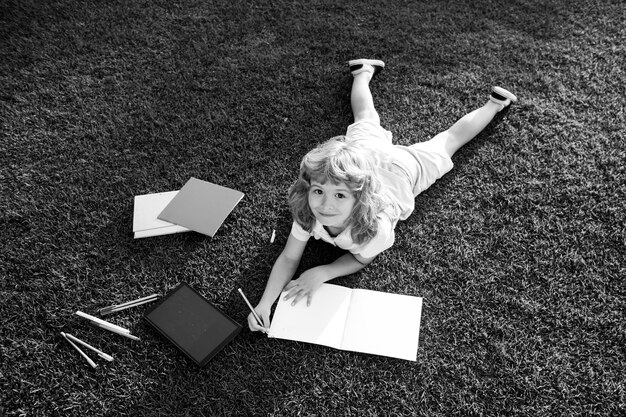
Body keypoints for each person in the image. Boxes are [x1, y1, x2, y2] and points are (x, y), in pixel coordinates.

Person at [248, 59, 517, 332]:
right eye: (318, 191)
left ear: (360, 199)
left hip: (401, 169)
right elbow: (289, 257)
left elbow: (360, 259)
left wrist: (324, 271)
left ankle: (494, 104)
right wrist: (264, 303)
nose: (325, 205)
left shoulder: (375, 229)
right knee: (364, 116)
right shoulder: (307, 209)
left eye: (340, 196)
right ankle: (362, 71)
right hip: (363, 154)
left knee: (449, 141)